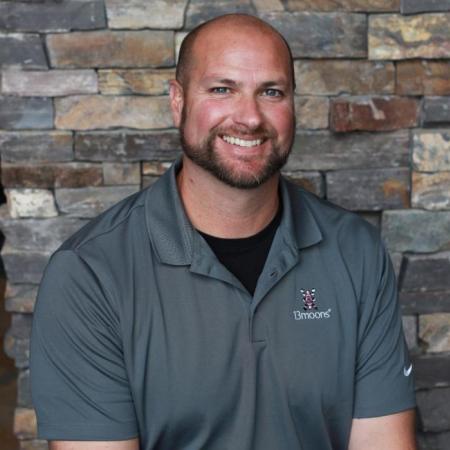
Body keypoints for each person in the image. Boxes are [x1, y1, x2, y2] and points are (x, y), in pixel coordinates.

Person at [30, 13, 417, 450]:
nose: (249, 118)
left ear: (293, 105)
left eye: (271, 92)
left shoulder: (356, 251)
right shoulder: (89, 274)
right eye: (222, 89)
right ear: (178, 101)